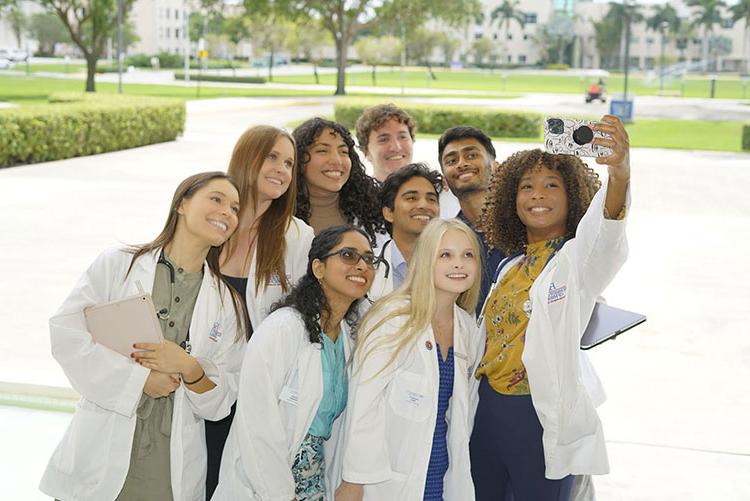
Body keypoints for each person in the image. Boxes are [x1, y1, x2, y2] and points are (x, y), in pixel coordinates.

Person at [39, 172, 248, 501]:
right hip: (102, 452)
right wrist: (139, 380)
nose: (227, 213)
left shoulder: (227, 303)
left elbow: (222, 401)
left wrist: (190, 368)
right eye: (217, 199)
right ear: (182, 203)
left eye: (235, 208)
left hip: (167, 469)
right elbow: (66, 334)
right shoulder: (119, 265)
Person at [470, 115, 631, 501]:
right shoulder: (509, 266)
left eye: (550, 186)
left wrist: (620, 174)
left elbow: (607, 230)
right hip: (486, 413)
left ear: (573, 195)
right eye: (526, 187)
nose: (537, 195)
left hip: (536, 416)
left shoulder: (578, 262)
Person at [213, 225, 378, 501]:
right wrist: (281, 495)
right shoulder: (283, 329)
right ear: (318, 268)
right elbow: (257, 425)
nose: (362, 265)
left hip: (315, 481)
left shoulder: (350, 336)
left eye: (369, 259)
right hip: (265, 484)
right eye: (348, 255)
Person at [336, 218, 483, 501]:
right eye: (445, 255)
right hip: (386, 478)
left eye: (468, 255)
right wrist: (353, 481)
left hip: (440, 471)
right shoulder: (392, 318)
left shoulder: (466, 326)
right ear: (426, 260)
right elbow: (364, 403)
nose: (459, 264)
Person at [205, 125, 315, 499]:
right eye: (272, 157)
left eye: (289, 163)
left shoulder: (297, 237)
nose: (282, 170)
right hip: (200, 386)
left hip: (255, 396)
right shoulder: (209, 223)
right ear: (245, 158)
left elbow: (303, 322)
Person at [438, 125, 505, 315]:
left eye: (471, 155)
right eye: (451, 160)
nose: (461, 163)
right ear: (445, 179)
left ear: (496, 167)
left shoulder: (527, 225)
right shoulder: (445, 240)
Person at [292, 117, 385, 244]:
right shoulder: (276, 218)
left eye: (343, 151)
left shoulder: (374, 212)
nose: (337, 160)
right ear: (299, 159)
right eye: (322, 151)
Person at [369, 163, 441, 300]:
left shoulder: (454, 267)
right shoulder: (367, 268)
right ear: (389, 213)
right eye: (411, 198)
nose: (423, 205)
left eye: (431, 199)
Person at [355, 103, 415, 183]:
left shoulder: (432, 192)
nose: (396, 147)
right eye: (384, 139)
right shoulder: (359, 195)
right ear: (365, 151)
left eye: (402, 137)